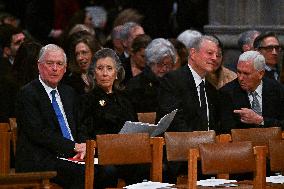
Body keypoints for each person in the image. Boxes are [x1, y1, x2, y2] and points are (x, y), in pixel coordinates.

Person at [15, 44, 87, 188]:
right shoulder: (28, 94)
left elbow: (81, 124)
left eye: (59, 64)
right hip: (42, 157)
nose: (55, 68)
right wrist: (73, 146)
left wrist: (84, 146)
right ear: (39, 66)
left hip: (72, 155)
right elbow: (39, 133)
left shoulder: (69, 93)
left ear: (65, 69)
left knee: (108, 170)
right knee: (81, 172)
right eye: (50, 63)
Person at [78, 48, 140, 188]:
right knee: (108, 171)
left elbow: (135, 128)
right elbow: (82, 133)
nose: (105, 73)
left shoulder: (125, 100)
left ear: (117, 73)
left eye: (109, 68)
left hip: (125, 153)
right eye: (100, 68)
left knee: (145, 166)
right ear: (93, 74)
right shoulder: (86, 100)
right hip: (100, 156)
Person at [158, 35, 220, 132]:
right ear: (193, 53)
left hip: (209, 144)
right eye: (210, 53)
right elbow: (174, 121)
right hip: (180, 144)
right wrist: (196, 142)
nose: (214, 58)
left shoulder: (211, 89)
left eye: (217, 55)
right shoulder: (172, 81)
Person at [219, 50, 284, 133]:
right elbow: (226, 130)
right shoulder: (226, 93)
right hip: (242, 143)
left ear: (261, 74)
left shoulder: (278, 90)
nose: (240, 78)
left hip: (273, 142)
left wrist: (260, 120)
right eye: (239, 72)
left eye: (246, 73)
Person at [125, 38, 176, 113]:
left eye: (169, 65)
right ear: (151, 62)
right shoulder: (136, 86)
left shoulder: (172, 82)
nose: (165, 69)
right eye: (161, 64)